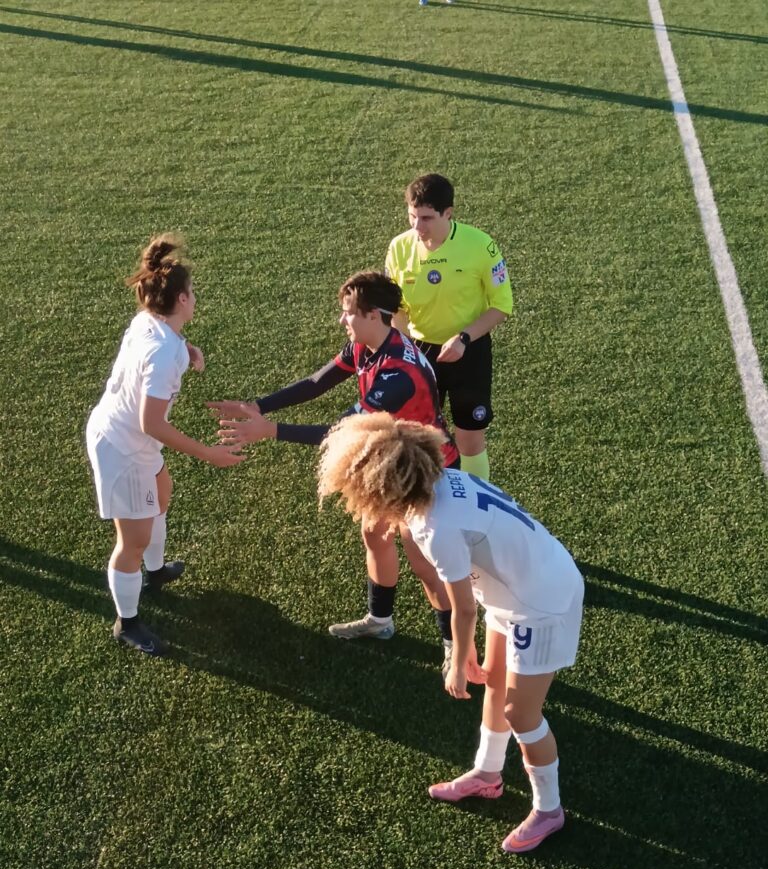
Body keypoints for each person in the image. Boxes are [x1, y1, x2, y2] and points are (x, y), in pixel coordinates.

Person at [317, 413, 584, 853]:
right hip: (519, 585)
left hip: (540, 603)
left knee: (521, 713)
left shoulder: (433, 526)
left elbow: (462, 607)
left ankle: (549, 809)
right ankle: (488, 774)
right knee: (495, 685)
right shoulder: (444, 482)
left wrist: (458, 662)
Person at [209, 271, 460, 667]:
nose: (342, 319)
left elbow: (342, 431)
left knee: (425, 564)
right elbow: (317, 382)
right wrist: (259, 406)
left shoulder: (398, 374)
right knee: (374, 534)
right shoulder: (368, 344)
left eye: (348, 313)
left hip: (425, 473)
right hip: (394, 461)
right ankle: (380, 620)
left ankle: (454, 647)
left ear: (374, 315)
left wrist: (270, 430)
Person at [86, 235, 243, 656]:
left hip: (128, 438)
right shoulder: (163, 355)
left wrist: (187, 348)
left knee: (162, 493)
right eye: (192, 292)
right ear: (182, 298)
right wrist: (208, 453)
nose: (196, 298)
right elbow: (151, 423)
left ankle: (155, 573)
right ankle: (127, 622)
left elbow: (158, 346)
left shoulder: (150, 322)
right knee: (132, 541)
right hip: (123, 448)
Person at [385, 173, 513, 481]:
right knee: (419, 435)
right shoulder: (399, 248)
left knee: (469, 436)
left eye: (426, 218)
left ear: (448, 213)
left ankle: (475, 501)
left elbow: (501, 306)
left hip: (469, 350)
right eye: (412, 216)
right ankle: (424, 500)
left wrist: (464, 338)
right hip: (420, 351)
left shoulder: (480, 246)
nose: (417, 227)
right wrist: (406, 351)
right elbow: (395, 309)